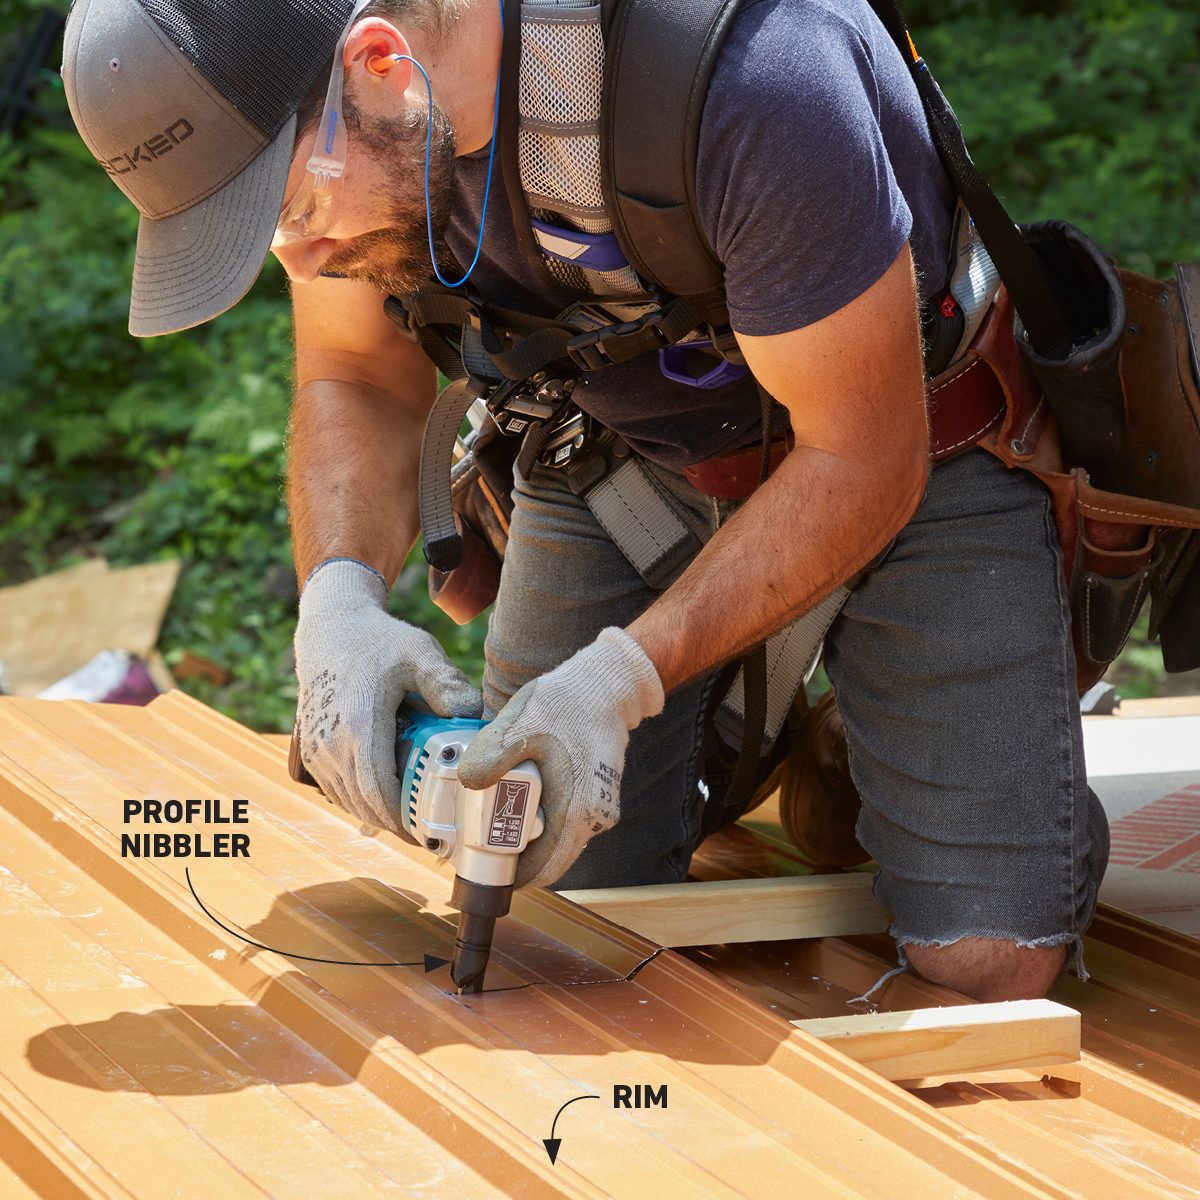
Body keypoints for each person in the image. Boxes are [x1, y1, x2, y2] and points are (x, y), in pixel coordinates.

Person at [62, 0, 1108, 1002]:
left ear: (383, 63)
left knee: (987, 960)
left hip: (908, 437)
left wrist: (620, 678)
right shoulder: (352, 113)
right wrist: (335, 605)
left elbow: (863, 458)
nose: (301, 258)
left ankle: (907, 739)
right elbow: (357, 379)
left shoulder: (752, 76)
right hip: (623, 453)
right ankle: (806, 726)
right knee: (551, 908)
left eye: (289, 213)